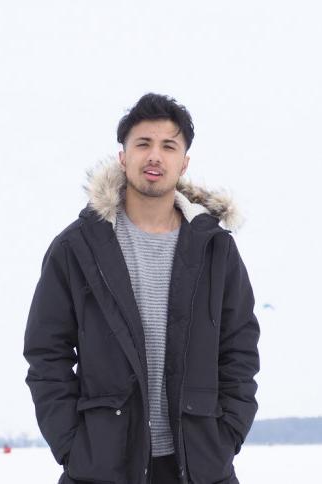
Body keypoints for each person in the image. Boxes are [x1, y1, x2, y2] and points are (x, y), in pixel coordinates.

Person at [23, 93, 260, 484]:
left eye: (169, 146)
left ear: (183, 162)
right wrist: (71, 445)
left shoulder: (216, 249)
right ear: (123, 156)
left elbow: (240, 348)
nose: (155, 156)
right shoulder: (77, 248)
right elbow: (46, 354)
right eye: (143, 144)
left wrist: (227, 434)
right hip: (102, 466)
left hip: (199, 464)